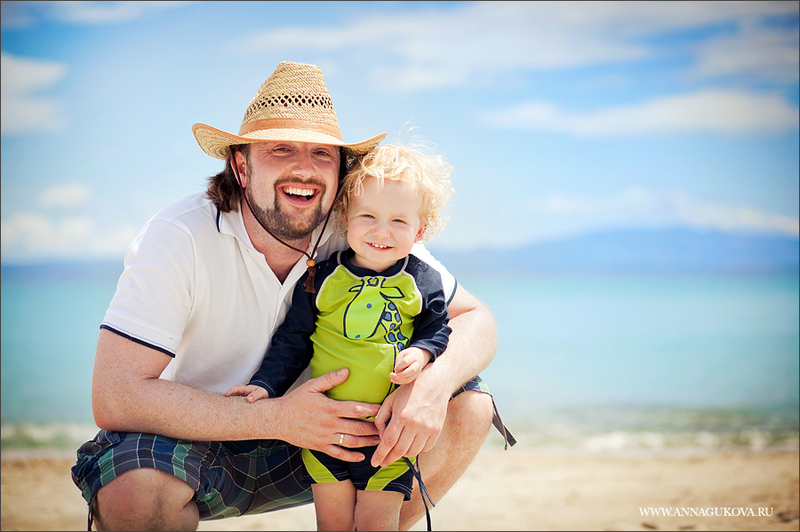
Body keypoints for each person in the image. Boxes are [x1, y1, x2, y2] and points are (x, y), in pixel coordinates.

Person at [71, 61, 512, 531]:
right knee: (133, 492)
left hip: (339, 436)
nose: (304, 168)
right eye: (281, 148)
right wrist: (275, 417)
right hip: (203, 437)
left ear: (340, 169)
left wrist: (429, 387)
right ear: (241, 166)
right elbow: (115, 396)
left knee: (470, 405)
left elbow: (477, 320)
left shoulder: (364, 227)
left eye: (322, 153)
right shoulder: (179, 237)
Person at [224, 143, 455, 530]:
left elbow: (438, 328)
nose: (381, 231)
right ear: (345, 216)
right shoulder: (322, 276)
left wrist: (422, 352)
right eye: (369, 216)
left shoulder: (422, 280)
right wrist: (265, 385)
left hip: (388, 436)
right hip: (324, 433)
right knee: (332, 524)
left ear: (421, 229)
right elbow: (294, 340)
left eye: (399, 221)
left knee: (376, 523)